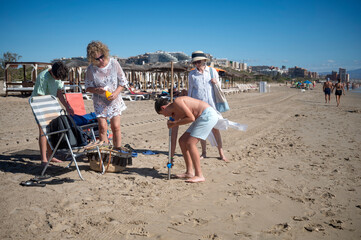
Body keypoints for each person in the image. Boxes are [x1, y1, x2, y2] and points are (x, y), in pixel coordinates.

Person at [155, 96, 219, 183]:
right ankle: (189, 172)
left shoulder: (178, 102)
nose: (165, 116)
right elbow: (173, 138)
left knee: (190, 143)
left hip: (207, 115)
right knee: (182, 141)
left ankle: (199, 175)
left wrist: (175, 123)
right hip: (199, 118)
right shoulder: (174, 115)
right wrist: (171, 157)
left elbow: (191, 118)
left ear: (163, 108)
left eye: (163, 114)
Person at [85, 41, 128, 149]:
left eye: (102, 57)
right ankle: (105, 153)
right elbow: (88, 87)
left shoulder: (114, 63)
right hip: (100, 102)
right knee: (102, 128)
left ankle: (117, 151)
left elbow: (123, 82)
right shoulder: (91, 69)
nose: (100, 60)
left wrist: (116, 93)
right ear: (91, 59)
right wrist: (96, 90)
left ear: (105, 53)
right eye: (96, 59)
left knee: (116, 127)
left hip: (114, 100)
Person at [31, 61, 74, 165]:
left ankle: (51, 156)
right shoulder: (43, 77)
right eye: (57, 78)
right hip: (39, 104)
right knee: (43, 131)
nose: (58, 80)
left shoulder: (58, 76)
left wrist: (67, 107)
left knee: (52, 129)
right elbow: (40, 97)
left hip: (51, 103)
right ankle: (44, 159)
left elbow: (59, 93)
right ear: (52, 72)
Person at [188, 51, 227, 161]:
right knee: (201, 130)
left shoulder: (212, 71)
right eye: (194, 62)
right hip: (198, 105)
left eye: (198, 62)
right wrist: (190, 105)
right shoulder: (192, 74)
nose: (197, 64)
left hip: (211, 105)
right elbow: (190, 89)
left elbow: (219, 87)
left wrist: (216, 83)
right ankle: (203, 153)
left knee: (215, 129)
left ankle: (221, 153)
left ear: (204, 61)